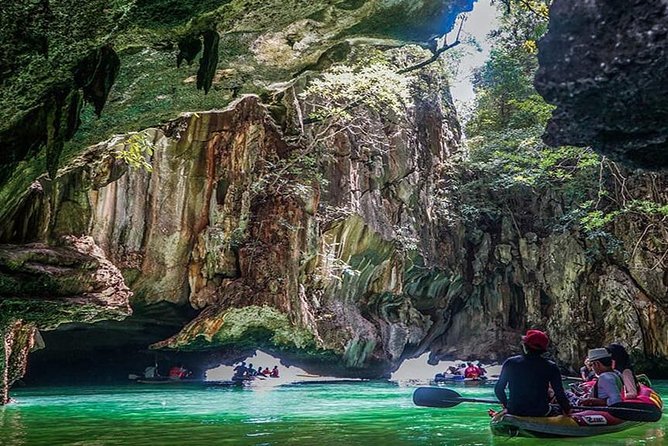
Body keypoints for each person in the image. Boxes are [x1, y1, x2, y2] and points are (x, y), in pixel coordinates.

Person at [494, 329, 571, 417]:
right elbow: (559, 394)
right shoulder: (551, 366)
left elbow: (499, 389)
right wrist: (567, 411)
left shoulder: (510, 363)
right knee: (557, 409)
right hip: (540, 411)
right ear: (543, 349)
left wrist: (506, 406)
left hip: (514, 410)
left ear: (525, 345)